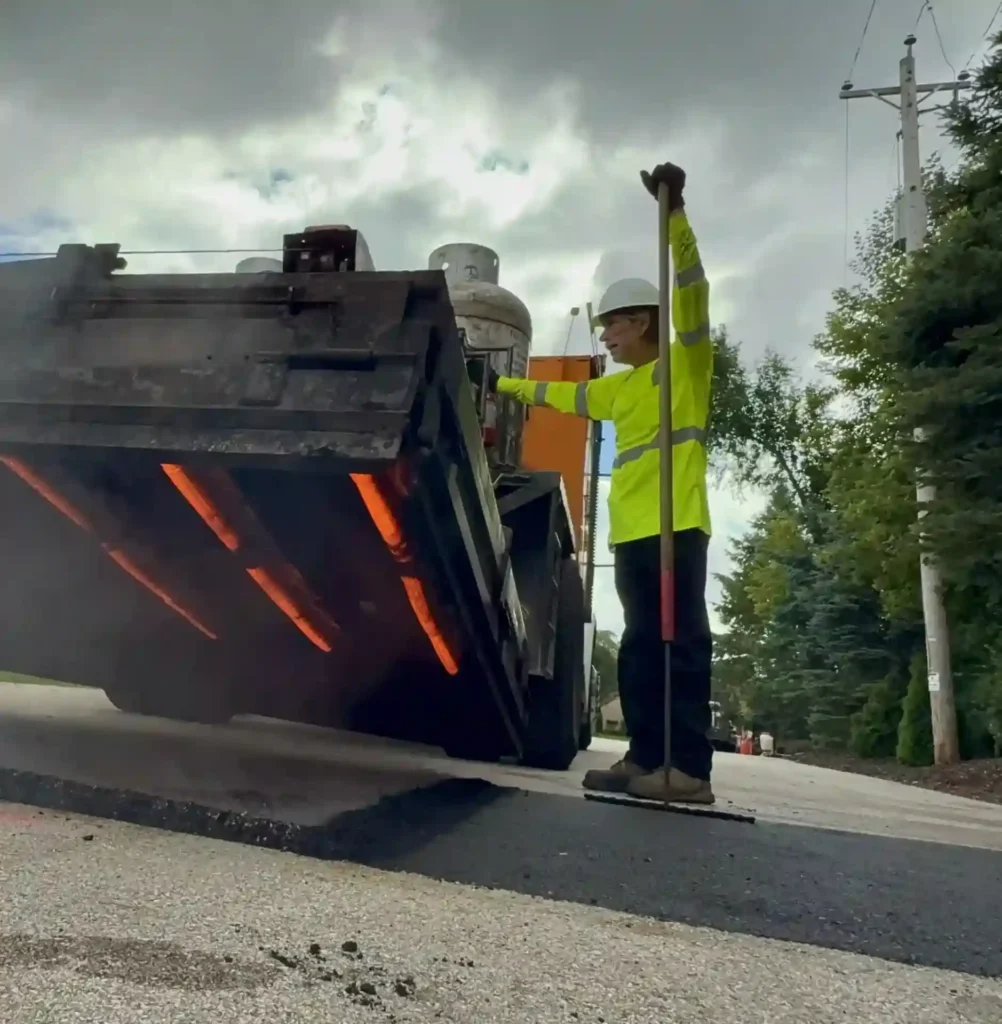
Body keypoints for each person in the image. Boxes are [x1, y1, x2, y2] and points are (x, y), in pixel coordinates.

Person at [480, 161, 714, 804]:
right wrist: (499, 382)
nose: (605, 335)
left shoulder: (685, 367)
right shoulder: (619, 389)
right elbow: (559, 393)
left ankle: (689, 770)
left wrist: (675, 217)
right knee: (640, 648)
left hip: (676, 525)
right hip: (635, 533)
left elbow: (692, 295)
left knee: (680, 643)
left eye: (612, 324)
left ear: (641, 321)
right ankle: (645, 758)